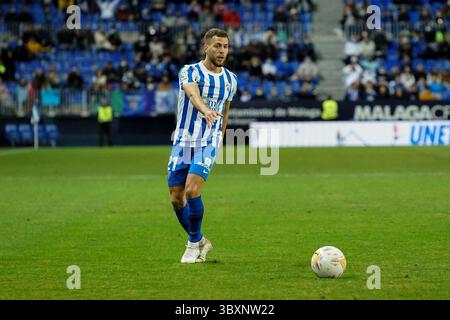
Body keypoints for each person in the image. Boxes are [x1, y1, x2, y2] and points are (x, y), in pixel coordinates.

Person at [167, 28, 238, 264]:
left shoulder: (231, 80)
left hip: (208, 141)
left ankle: (191, 244)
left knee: (192, 189)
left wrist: (220, 139)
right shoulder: (189, 72)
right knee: (176, 198)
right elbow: (191, 93)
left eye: (225, 46)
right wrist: (206, 109)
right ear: (205, 47)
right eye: (217, 45)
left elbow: (225, 113)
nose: (222, 51)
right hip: (183, 140)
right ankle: (201, 241)